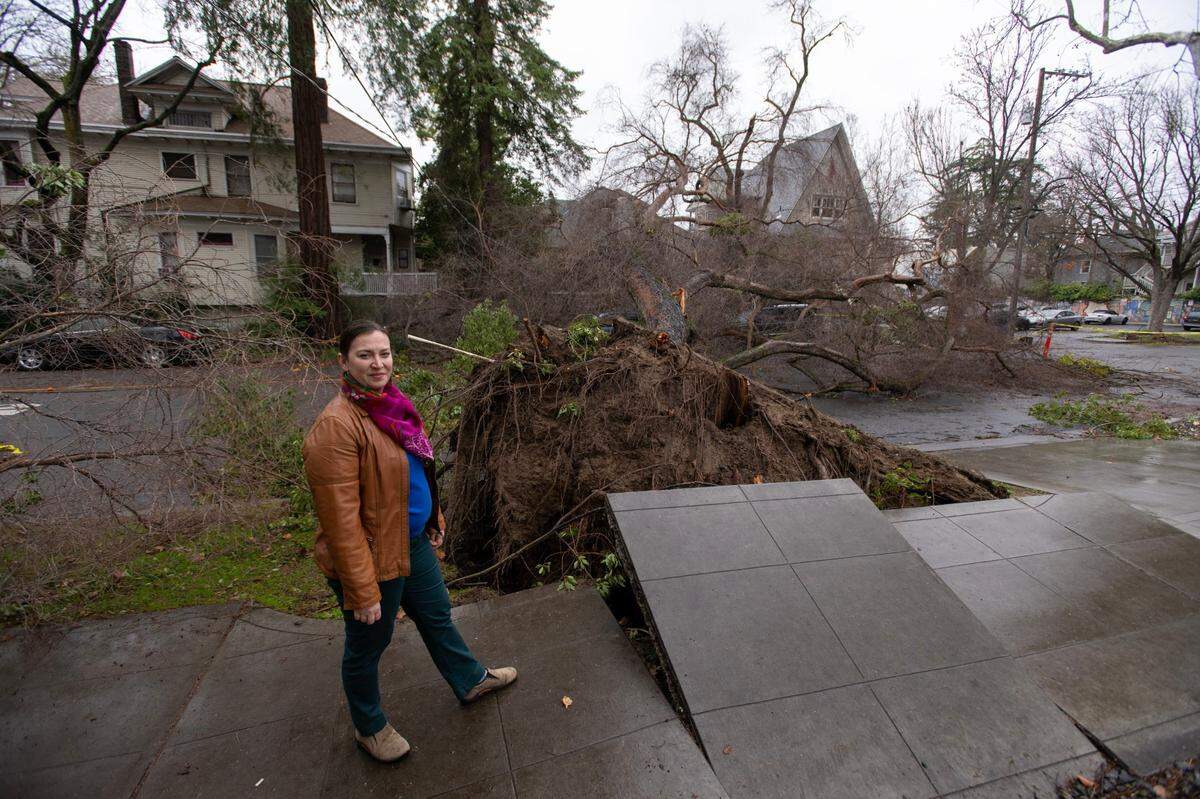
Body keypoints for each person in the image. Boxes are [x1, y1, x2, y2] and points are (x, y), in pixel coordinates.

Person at [302, 320, 516, 763]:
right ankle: (369, 727)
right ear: (343, 362)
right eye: (365, 355)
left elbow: (414, 470)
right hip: (371, 556)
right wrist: (361, 590)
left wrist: (433, 512)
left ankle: (470, 679)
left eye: (383, 353)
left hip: (411, 540)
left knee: (437, 615)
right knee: (366, 645)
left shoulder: (392, 404)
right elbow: (340, 523)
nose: (377, 363)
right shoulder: (336, 428)